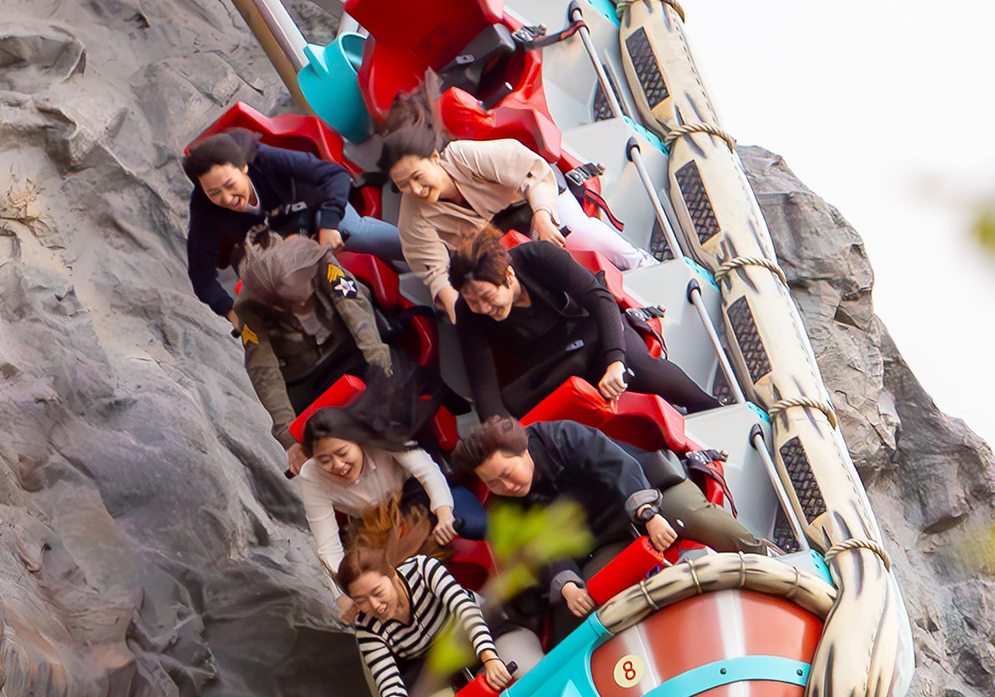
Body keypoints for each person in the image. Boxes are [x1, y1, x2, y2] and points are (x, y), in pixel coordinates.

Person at [461, 413, 763, 625]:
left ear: (522, 449)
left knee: (700, 519)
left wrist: (648, 514)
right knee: (585, 600)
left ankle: (766, 559)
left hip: (650, 494)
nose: (505, 486)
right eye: (493, 483)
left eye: (506, 474)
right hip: (604, 537)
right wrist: (566, 584)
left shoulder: (560, 436)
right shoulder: (505, 505)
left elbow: (618, 466)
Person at [447, 224, 721, 422]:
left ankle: (710, 410)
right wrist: (504, 436)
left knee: (640, 369)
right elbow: (484, 387)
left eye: (487, 296)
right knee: (523, 409)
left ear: (508, 275)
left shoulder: (539, 256)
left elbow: (600, 300)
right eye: (473, 300)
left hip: (593, 330)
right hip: (553, 361)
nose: (483, 308)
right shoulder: (469, 314)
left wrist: (615, 361)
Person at [381, 118, 642, 320]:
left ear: (435, 158)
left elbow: (532, 172)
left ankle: (640, 264)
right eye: (403, 185)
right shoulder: (413, 218)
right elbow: (436, 273)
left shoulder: (463, 157)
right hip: (504, 248)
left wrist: (541, 215)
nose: (414, 190)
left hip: (537, 203)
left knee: (580, 233)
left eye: (417, 176)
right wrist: (464, 311)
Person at [184, 124, 402, 318]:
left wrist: (329, 224)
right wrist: (231, 311)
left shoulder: (265, 160)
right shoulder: (205, 206)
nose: (227, 198)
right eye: (214, 193)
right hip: (278, 246)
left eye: (230, 185)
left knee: (354, 230)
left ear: (244, 167)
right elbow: (201, 274)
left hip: (316, 210)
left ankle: (423, 251)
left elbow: (334, 175)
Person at [337, 531, 513, 697]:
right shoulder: (367, 628)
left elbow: (465, 610)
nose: (375, 606)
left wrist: (489, 657)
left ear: (391, 573)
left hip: (480, 632)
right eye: (361, 602)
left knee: (525, 668)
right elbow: (387, 680)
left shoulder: (422, 569)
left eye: (378, 593)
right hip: (437, 668)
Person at [296, 374, 488, 584]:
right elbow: (327, 545)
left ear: (358, 441)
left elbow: (427, 471)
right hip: (376, 524)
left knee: (477, 525)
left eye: (343, 453)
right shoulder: (311, 476)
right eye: (324, 460)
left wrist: (444, 514)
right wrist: (346, 589)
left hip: (418, 495)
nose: (338, 465)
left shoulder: (381, 434)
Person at [233, 232, 395, 456]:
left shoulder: (320, 261)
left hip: (350, 349)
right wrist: (287, 435)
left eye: (304, 299)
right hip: (307, 380)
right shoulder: (248, 309)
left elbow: (353, 307)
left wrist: (380, 364)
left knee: (394, 395)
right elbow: (263, 369)